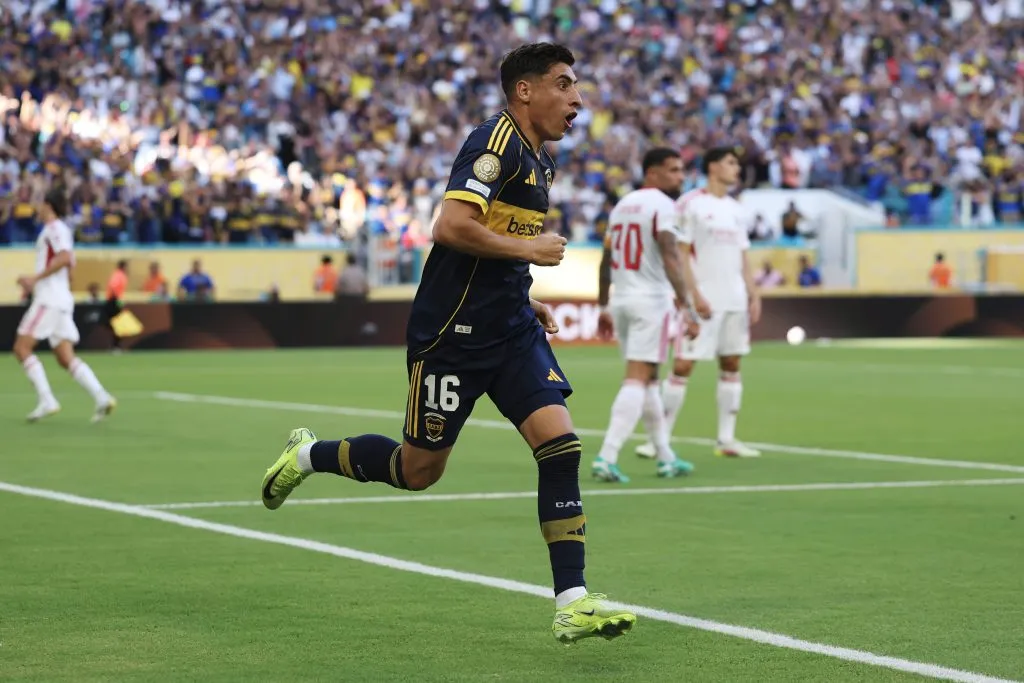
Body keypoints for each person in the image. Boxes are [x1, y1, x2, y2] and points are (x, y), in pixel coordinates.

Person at [259, 43, 636, 644]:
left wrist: (522, 291)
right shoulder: (495, 144)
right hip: (451, 335)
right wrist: (533, 252)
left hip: (509, 330)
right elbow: (451, 227)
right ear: (525, 91)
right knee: (418, 472)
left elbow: (497, 238)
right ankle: (308, 455)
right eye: (564, 85)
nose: (577, 99)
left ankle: (572, 601)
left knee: (560, 445)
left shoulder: (540, 159)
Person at [636, 147, 762, 460]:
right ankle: (657, 439)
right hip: (702, 299)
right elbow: (679, 253)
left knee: (732, 364)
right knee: (682, 365)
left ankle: (726, 439)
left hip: (734, 298)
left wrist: (753, 292)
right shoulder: (689, 204)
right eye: (731, 163)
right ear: (713, 167)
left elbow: (743, 256)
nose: (736, 168)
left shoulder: (736, 208)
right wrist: (693, 295)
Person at [591, 148, 700, 484]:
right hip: (650, 301)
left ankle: (665, 456)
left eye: (682, 171)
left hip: (623, 299)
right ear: (652, 173)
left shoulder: (623, 205)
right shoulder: (665, 207)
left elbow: (607, 256)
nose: (680, 177)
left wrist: (603, 305)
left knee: (650, 377)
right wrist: (688, 305)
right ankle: (607, 456)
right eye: (673, 170)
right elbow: (671, 255)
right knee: (637, 377)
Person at [13, 186, 117, 422]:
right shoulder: (61, 231)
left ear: (49, 205)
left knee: (21, 348)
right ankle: (101, 397)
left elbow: (64, 258)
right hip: (60, 299)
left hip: (49, 298)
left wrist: (34, 280)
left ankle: (47, 399)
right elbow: (70, 267)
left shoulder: (54, 229)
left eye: (41, 203)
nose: (37, 208)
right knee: (64, 356)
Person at [105, 260, 128, 351]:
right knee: (117, 324)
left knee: (116, 324)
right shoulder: (119, 275)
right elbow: (114, 287)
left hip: (113, 301)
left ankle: (116, 345)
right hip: (113, 302)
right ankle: (116, 346)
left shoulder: (116, 274)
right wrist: (118, 301)